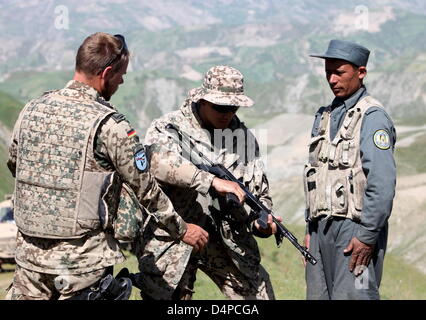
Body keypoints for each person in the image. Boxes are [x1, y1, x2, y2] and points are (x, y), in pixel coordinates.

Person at [5, 32, 200, 300]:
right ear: (106, 72)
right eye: (121, 75)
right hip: (81, 268)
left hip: (29, 262)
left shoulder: (31, 109)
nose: (121, 81)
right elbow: (145, 189)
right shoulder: (110, 126)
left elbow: (16, 165)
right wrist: (182, 228)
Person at [133, 65, 281, 300]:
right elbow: (155, 163)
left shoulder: (243, 139)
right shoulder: (169, 127)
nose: (227, 113)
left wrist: (262, 222)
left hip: (226, 239)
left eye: (233, 107)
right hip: (175, 234)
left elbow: (259, 193)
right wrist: (210, 181)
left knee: (257, 295)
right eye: (220, 107)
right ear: (203, 100)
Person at [303, 39, 396, 300]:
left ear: (361, 72)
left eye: (339, 72)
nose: (332, 79)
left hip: (355, 228)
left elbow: (382, 182)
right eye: (327, 73)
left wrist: (367, 237)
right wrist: (309, 230)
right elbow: (315, 175)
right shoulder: (323, 116)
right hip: (320, 229)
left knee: (354, 295)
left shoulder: (373, 117)